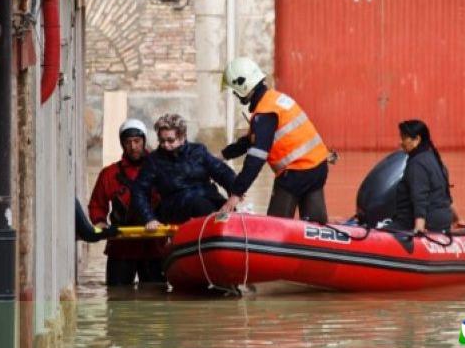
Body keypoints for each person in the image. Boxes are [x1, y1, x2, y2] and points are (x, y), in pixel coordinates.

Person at [219, 57, 330, 223]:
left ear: (244, 85)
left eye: (235, 91)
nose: (235, 95)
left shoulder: (265, 113)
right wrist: (222, 155)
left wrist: (236, 194)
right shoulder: (274, 100)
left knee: (275, 226)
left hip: (296, 173)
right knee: (315, 227)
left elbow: (256, 158)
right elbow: (250, 141)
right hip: (318, 166)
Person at [88, 118, 165, 286]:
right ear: (122, 144)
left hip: (154, 246)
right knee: (117, 299)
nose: (133, 146)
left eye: (137, 141)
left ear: (144, 141)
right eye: (128, 142)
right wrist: (100, 222)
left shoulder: (160, 170)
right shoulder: (109, 174)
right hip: (121, 246)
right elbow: (97, 204)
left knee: (157, 299)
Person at [132, 113, 236, 231]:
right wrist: (149, 218)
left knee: (227, 212)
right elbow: (139, 191)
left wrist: (235, 192)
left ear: (182, 138)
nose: (165, 145)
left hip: (207, 200)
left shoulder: (198, 151)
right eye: (162, 141)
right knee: (199, 205)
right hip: (174, 207)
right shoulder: (153, 160)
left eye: (170, 140)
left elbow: (221, 171)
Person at [393, 119, 458, 233]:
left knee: (382, 227)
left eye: (403, 138)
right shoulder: (433, 158)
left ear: (417, 139)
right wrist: (457, 219)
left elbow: (419, 197)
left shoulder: (417, 163)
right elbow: (445, 195)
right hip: (443, 221)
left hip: (425, 222)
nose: (400, 142)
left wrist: (419, 227)